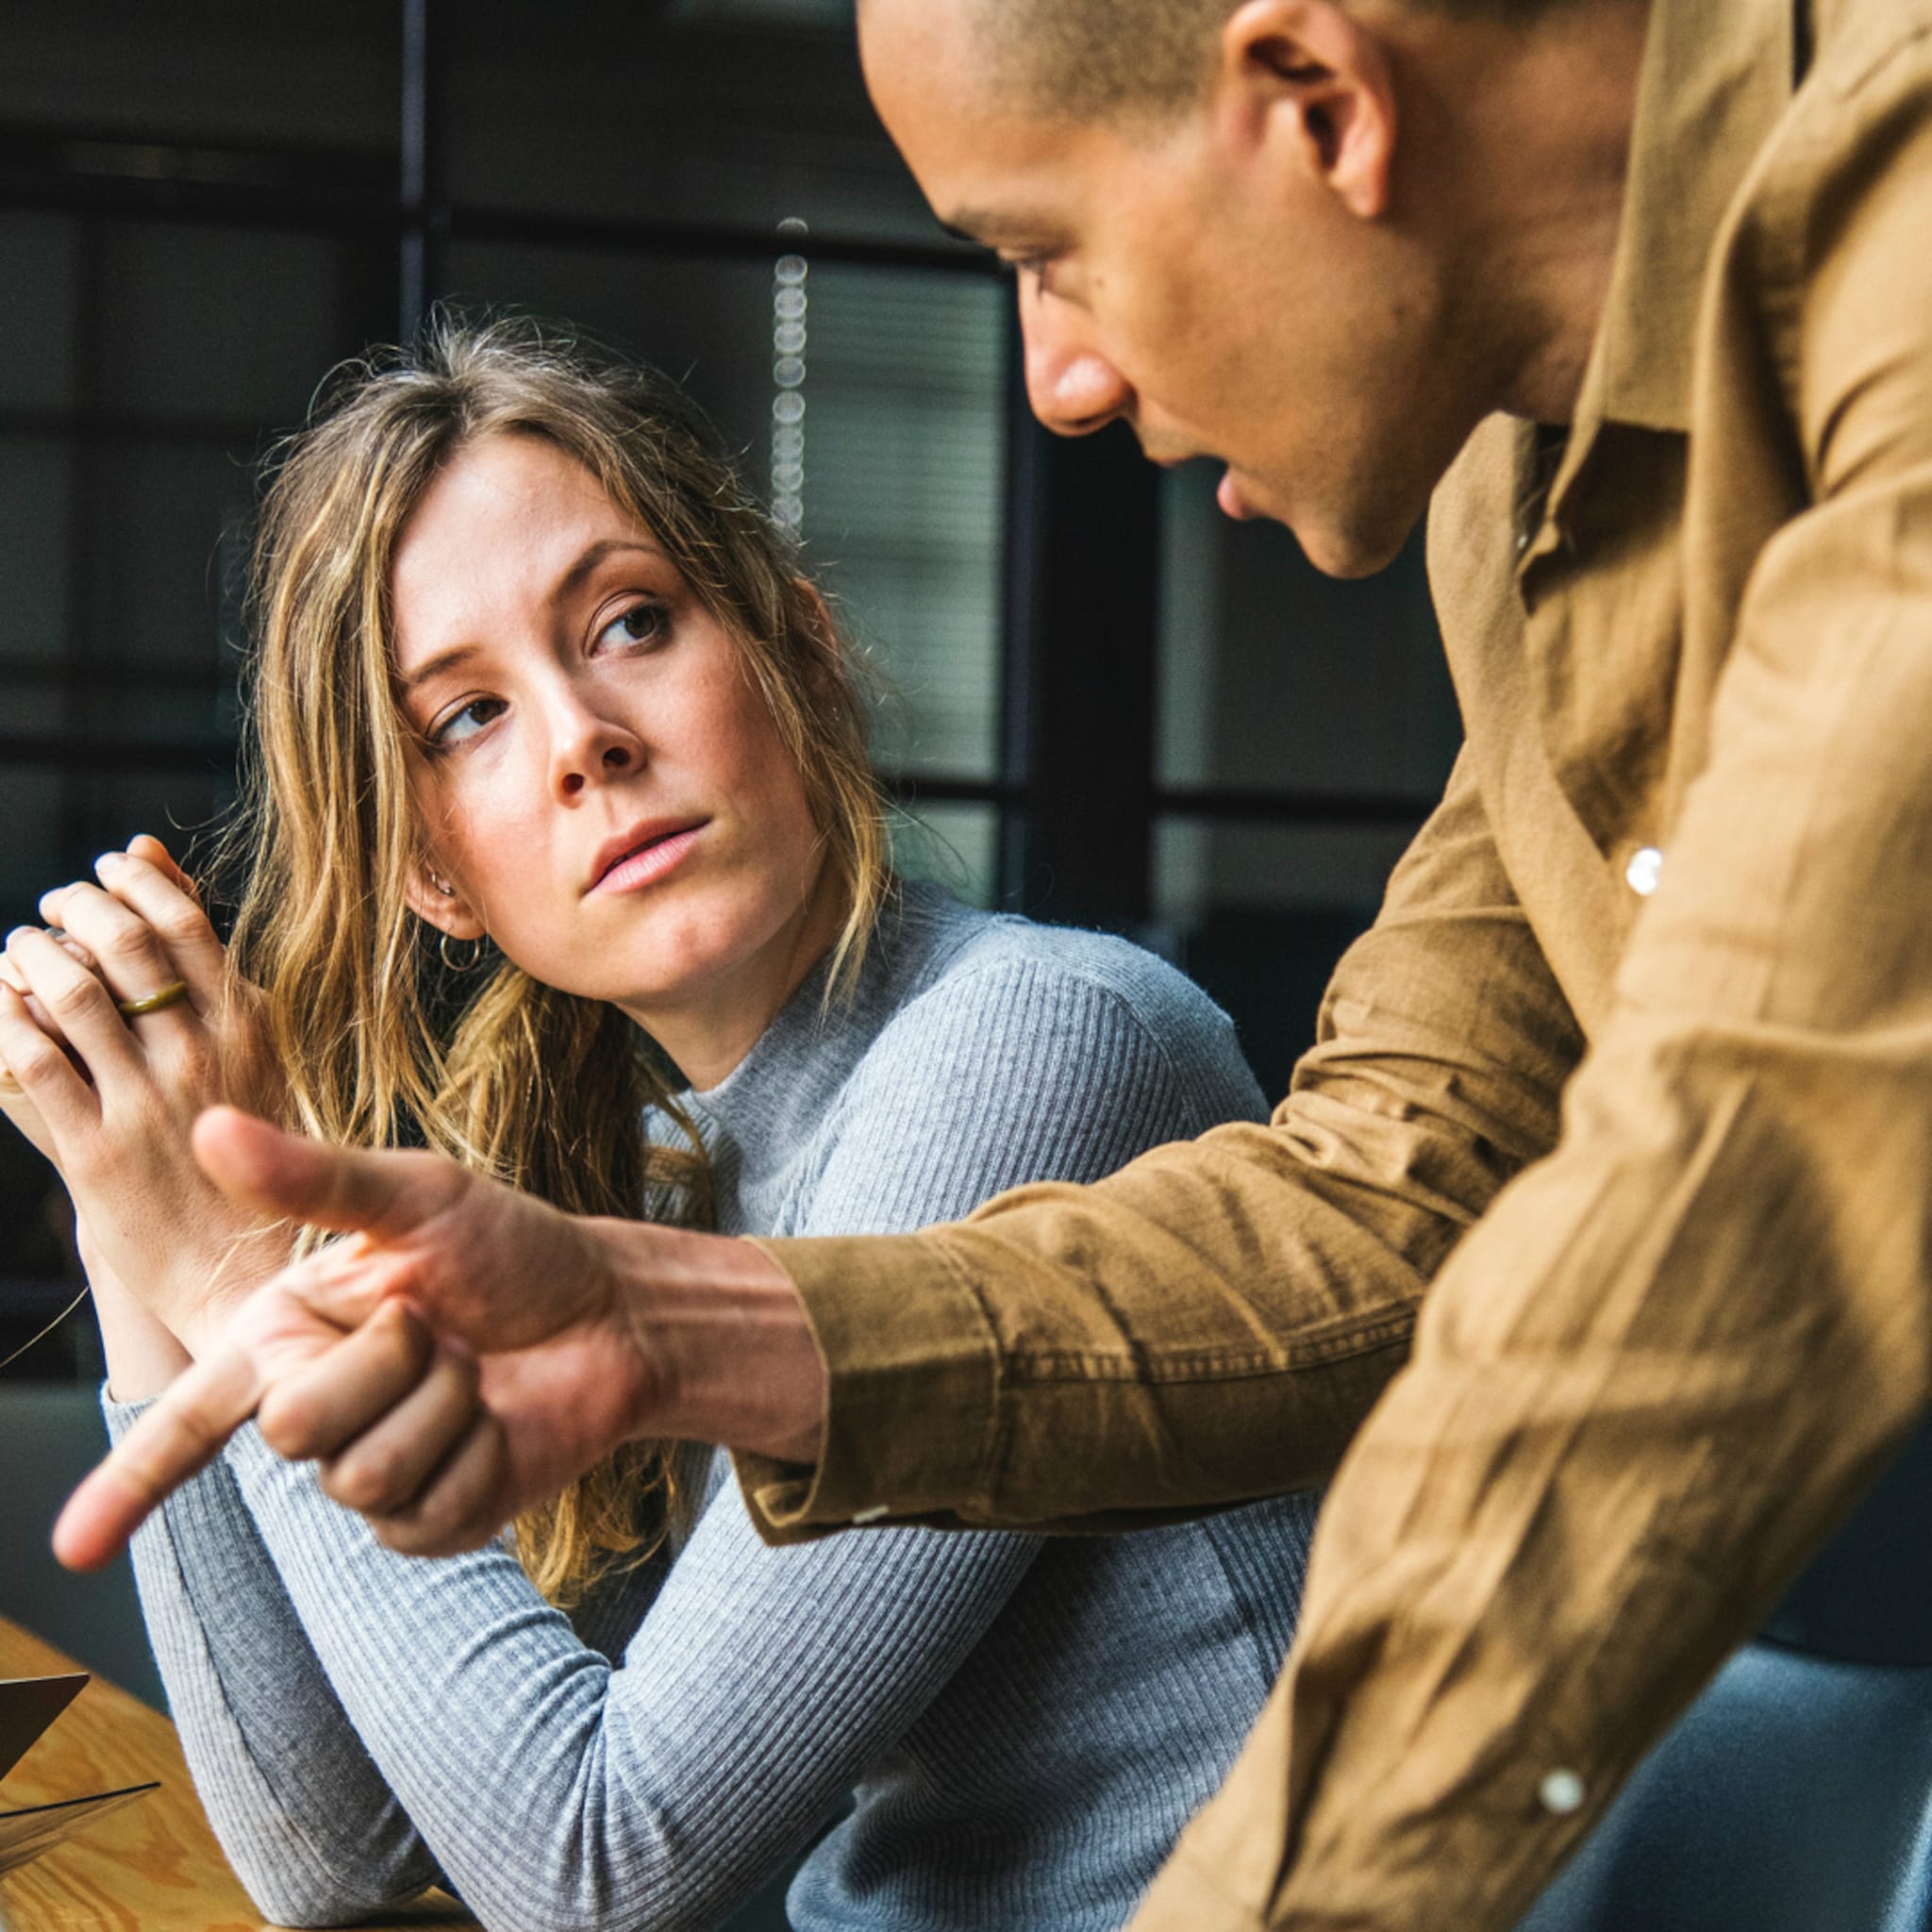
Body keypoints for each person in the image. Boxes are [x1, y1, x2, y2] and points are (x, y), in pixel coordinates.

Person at [50, 0, 1932, 1925]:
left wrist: (260, 1279)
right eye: (463, 719)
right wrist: (650, 1317)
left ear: (1315, 103)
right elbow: (1395, 1192)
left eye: (1046, 247)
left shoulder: (1898, 286)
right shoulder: (1513, 500)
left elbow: (1700, 1245)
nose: (1057, 381)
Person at [0, 319, 1324, 1932]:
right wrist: (128, 1186)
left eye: (629, 623)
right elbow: (331, 1856)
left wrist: (240, 1279)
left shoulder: (1036, 1042)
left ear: (800, 651)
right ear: (433, 876)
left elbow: (596, 1872)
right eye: (467, 717)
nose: (582, 740)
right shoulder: (666, 1165)